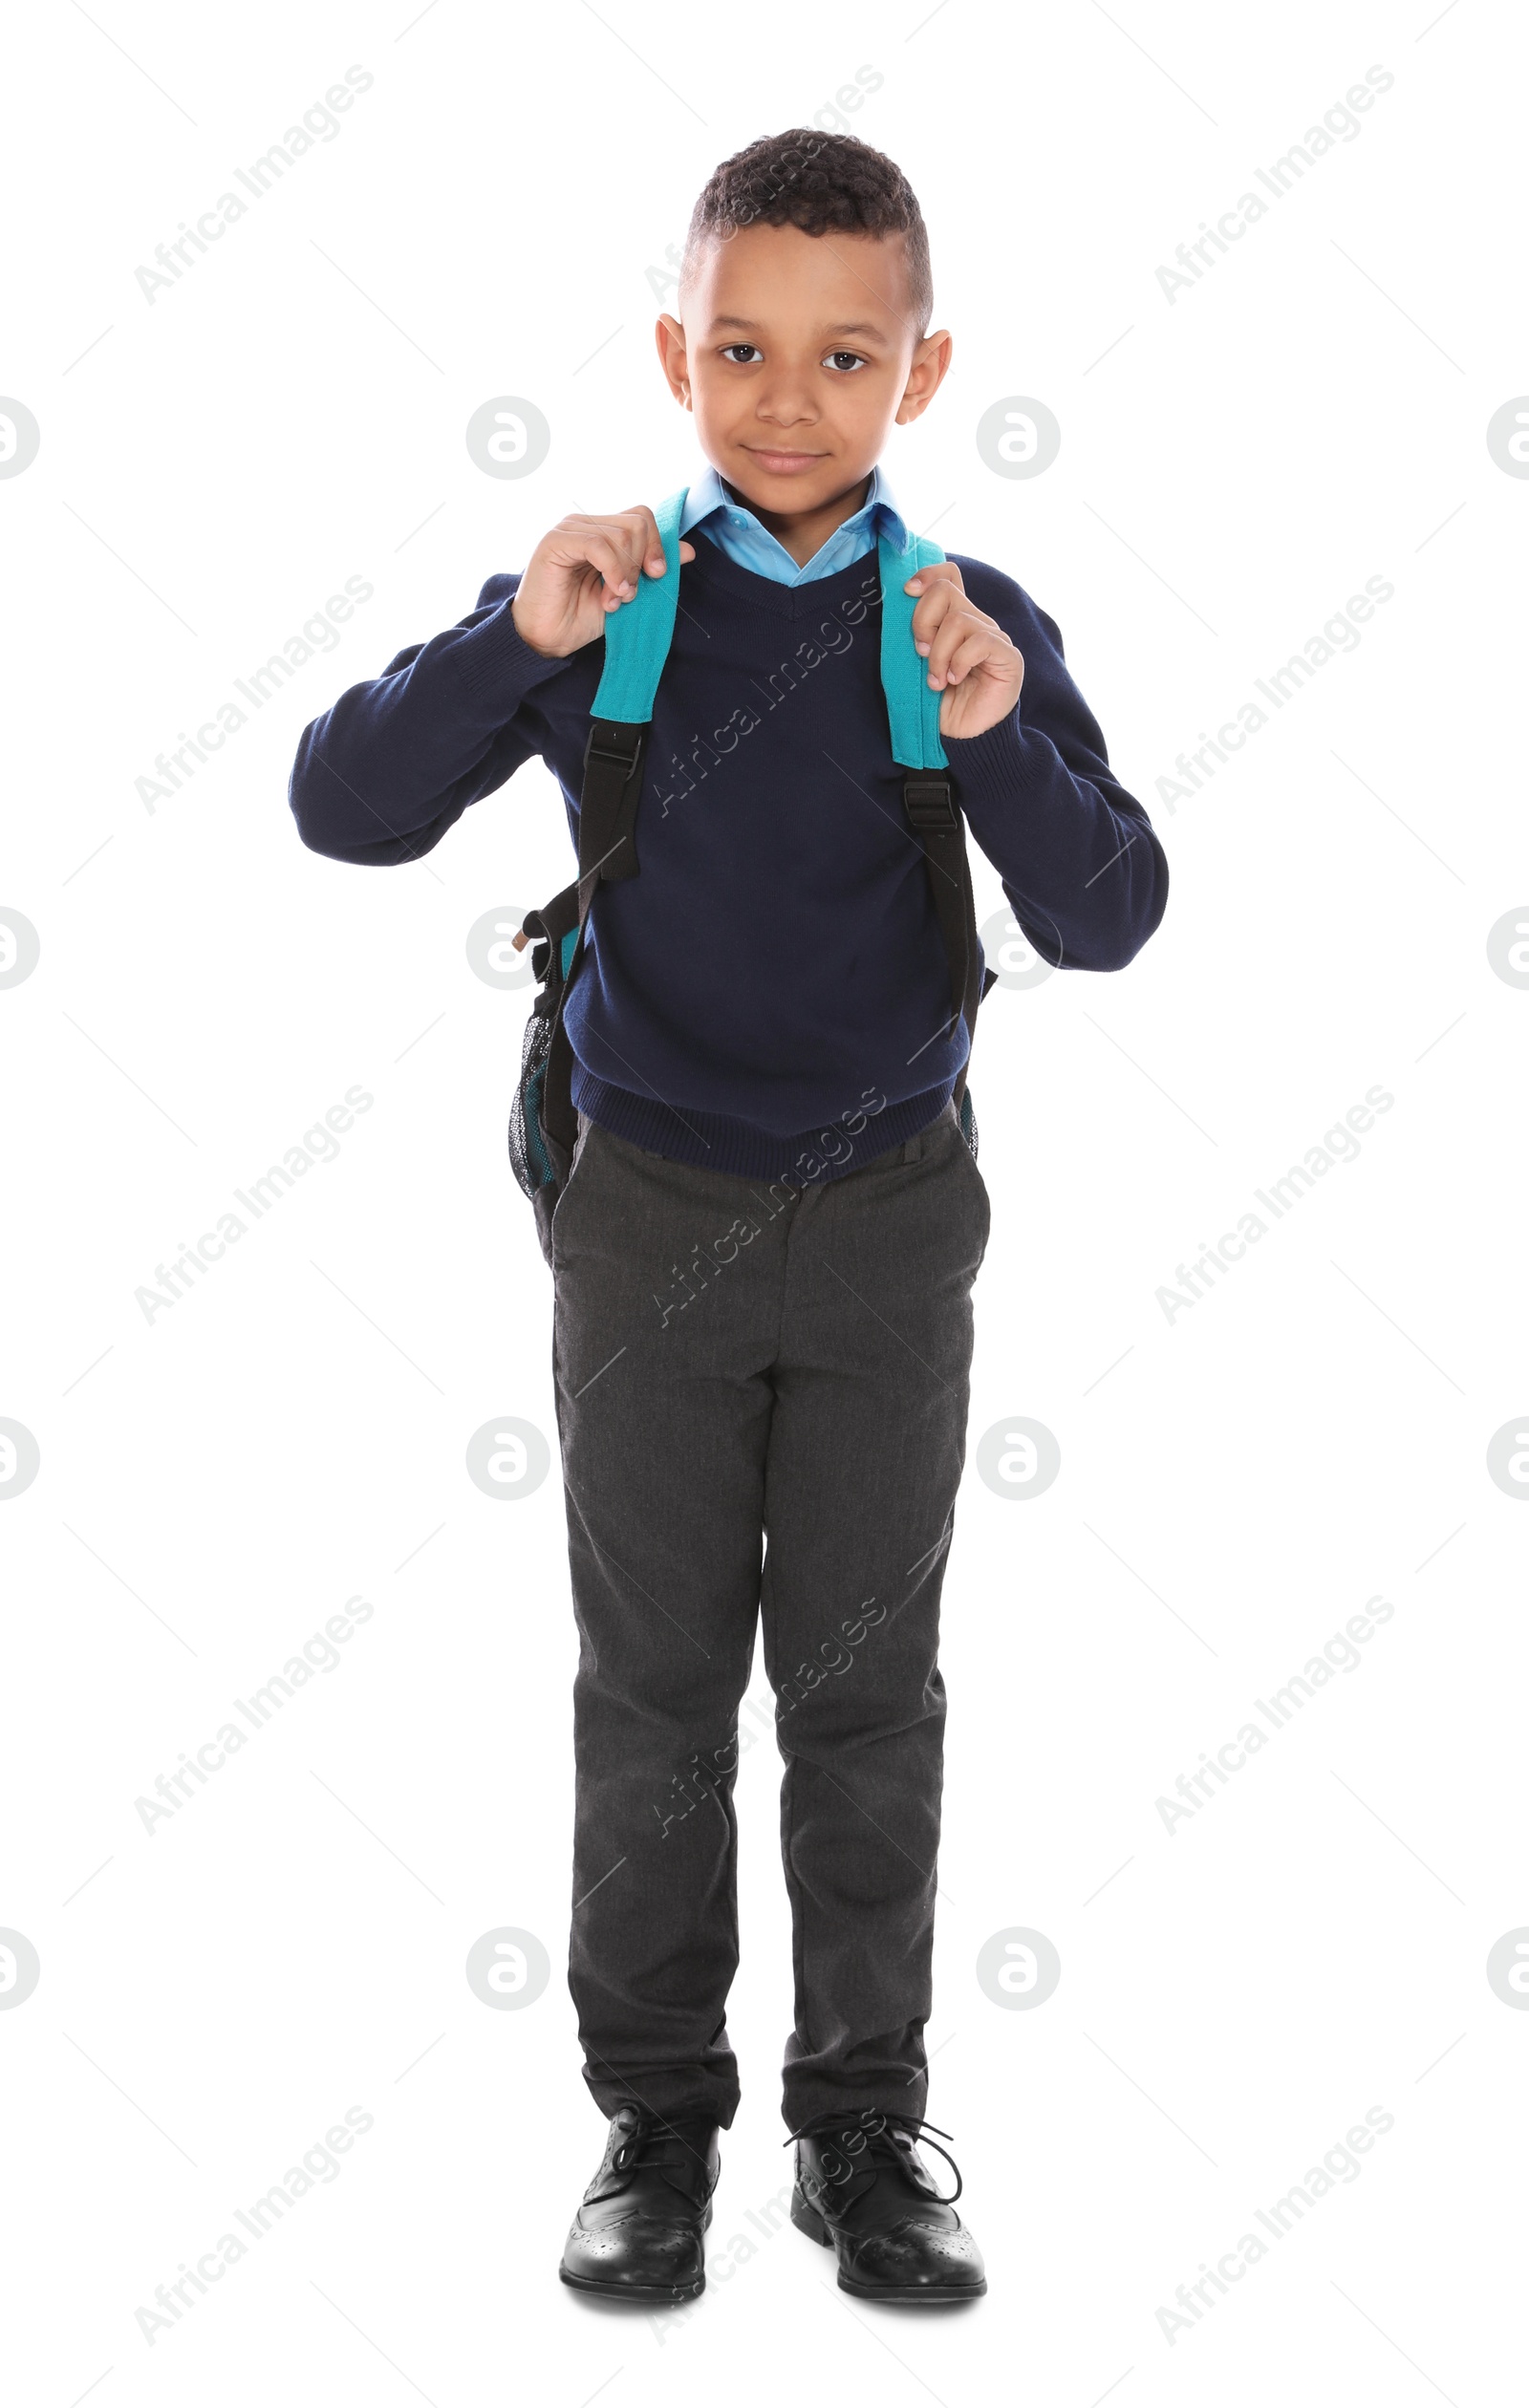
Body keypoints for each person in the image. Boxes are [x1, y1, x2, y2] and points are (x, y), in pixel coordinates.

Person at [289, 126, 1169, 2308]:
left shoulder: (949, 623)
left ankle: (861, 2130)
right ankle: (652, 2122)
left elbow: (1114, 909)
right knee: (654, 1691)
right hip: (643, 1216)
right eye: (745, 349)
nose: (789, 398)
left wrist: (992, 734)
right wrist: (512, 633)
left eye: (843, 355)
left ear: (919, 369)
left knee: (866, 1694)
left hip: (886, 1223)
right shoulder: (614, 606)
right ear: (676, 350)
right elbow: (341, 804)